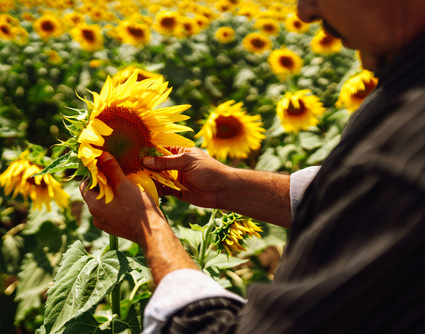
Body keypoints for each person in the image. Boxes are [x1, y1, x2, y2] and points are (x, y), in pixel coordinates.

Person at [80, 0, 425, 332]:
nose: (305, 12)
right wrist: (227, 185)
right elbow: (360, 198)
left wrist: (148, 229)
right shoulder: (405, 93)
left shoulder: (398, 163)